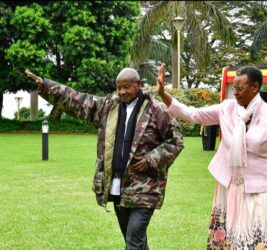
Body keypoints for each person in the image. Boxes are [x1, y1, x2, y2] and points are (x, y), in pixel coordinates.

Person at [25, 68, 184, 250]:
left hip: (145, 189)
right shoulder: (109, 107)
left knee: (133, 241)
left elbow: (176, 140)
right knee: (134, 241)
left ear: (138, 85)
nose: (123, 91)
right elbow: (77, 100)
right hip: (117, 187)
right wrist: (45, 85)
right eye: (119, 88)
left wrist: (151, 159)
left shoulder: (157, 110)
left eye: (127, 87)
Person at [156, 64, 267, 249]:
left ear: (255, 87)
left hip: (261, 189)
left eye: (239, 88)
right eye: (234, 88)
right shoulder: (226, 108)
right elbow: (193, 114)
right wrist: (163, 93)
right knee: (228, 239)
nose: (235, 93)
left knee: (257, 241)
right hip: (229, 186)